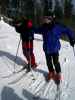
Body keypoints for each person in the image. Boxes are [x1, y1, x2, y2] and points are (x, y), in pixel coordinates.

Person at [35, 14, 75, 84]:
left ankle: (58, 73)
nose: (45, 20)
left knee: (56, 62)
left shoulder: (57, 27)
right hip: (47, 49)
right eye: (44, 18)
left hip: (55, 49)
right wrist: (28, 28)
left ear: (51, 19)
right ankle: (51, 72)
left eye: (47, 18)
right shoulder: (43, 27)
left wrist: (72, 38)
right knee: (49, 62)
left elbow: (67, 30)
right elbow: (36, 30)